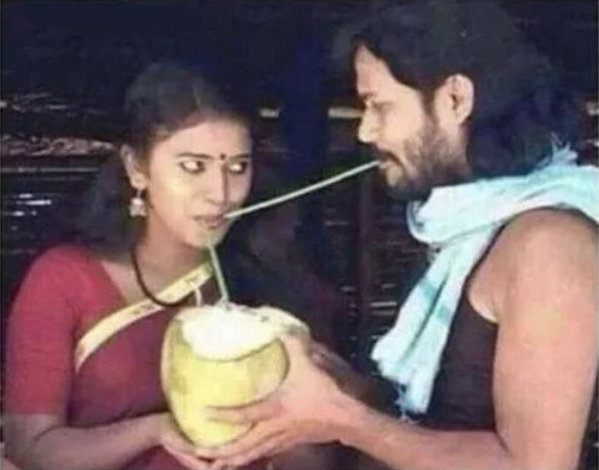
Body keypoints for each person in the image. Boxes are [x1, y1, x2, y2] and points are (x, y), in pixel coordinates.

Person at [192, 1, 599, 469]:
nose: (366, 131)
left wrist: (343, 418)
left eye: (378, 105)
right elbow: (446, 415)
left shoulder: (549, 247)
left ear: (455, 100)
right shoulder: (466, 229)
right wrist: (347, 389)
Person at [2, 61, 345, 470]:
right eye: (193, 166)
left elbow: (316, 457)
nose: (220, 194)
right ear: (136, 167)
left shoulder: (266, 279)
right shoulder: (65, 279)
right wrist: (159, 429)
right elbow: (31, 448)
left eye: (237, 167)